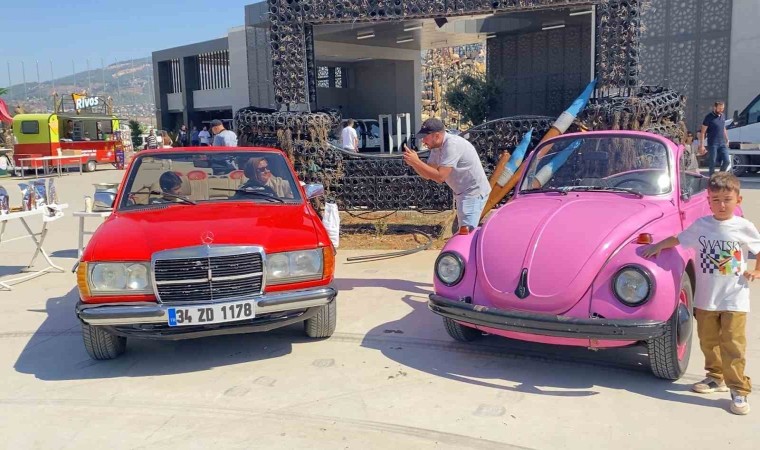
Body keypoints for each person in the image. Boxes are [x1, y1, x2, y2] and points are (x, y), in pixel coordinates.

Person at [643, 172, 760, 416]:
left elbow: (758, 251)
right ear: (708, 201)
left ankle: (739, 389)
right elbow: (679, 239)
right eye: (715, 200)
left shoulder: (744, 227)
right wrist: (658, 246)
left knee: (733, 344)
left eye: (727, 199)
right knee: (708, 341)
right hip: (706, 299)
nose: (721, 205)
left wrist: (756, 271)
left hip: (734, 299)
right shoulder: (702, 225)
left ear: (738, 200)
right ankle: (715, 377)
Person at [402, 117, 491, 231]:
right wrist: (413, 163)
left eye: (425, 137)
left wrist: (417, 162)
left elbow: (440, 177)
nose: (423, 141)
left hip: (473, 193)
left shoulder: (452, 145)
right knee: (462, 232)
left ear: (437, 136)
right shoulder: (436, 147)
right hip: (463, 193)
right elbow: (427, 174)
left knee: (466, 233)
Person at [699, 101, 731, 176]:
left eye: (722, 108)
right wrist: (702, 145)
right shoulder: (708, 117)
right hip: (713, 143)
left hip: (722, 143)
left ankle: (719, 175)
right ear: (715, 107)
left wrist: (727, 139)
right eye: (719, 108)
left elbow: (723, 127)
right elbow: (703, 132)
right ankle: (711, 178)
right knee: (712, 162)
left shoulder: (722, 116)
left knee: (727, 161)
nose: (721, 110)